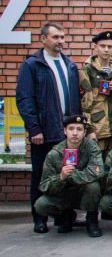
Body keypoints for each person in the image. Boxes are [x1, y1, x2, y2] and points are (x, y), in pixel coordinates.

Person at [16, 22, 81, 234]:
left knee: (68, 174)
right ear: (43, 39)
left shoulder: (69, 65)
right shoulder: (32, 65)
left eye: (62, 37)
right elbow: (25, 99)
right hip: (43, 133)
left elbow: (75, 100)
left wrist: (78, 127)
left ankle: (64, 217)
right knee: (41, 175)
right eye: (55, 37)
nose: (60, 41)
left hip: (67, 133)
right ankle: (40, 218)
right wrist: (34, 129)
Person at [35, 115, 104, 237]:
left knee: (93, 186)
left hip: (83, 193)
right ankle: (66, 216)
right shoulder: (54, 154)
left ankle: (92, 220)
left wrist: (72, 175)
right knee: (41, 205)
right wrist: (60, 177)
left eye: (79, 129)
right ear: (65, 131)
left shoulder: (91, 148)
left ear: (84, 132)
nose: (75, 133)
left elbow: (97, 172)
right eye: (71, 129)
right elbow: (44, 185)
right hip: (63, 193)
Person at [79, 31, 112, 158]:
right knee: (96, 164)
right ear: (95, 47)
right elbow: (84, 104)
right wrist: (89, 129)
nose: (106, 50)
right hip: (97, 126)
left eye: (109, 46)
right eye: (103, 46)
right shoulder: (88, 70)